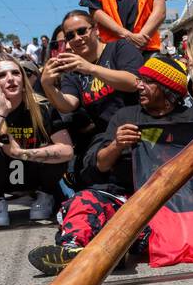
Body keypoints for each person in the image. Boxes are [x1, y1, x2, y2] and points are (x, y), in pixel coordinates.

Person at [28, 54, 193, 274]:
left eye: (148, 81)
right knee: (85, 200)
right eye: (140, 79)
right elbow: (97, 166)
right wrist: (116, 145)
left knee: (156, 231)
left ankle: (112, 249)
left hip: (169, 205)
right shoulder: (125, 116)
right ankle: (71, 249)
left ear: (168, 90)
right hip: (122, 198)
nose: (139, 85)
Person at [0, 53, 73, 227]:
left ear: (23, 79)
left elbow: (67, 150)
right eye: (2, 75)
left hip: (34, 174)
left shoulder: (43, 107)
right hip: (1, 176)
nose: (10, 79)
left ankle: (45, 195)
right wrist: (2, 113)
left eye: (15, 73)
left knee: (55, 152)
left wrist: (22, 153)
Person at [40, 9, 142, 181]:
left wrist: (90, 68)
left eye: (81, 31)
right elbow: (67, 104)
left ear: (96, 30)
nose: (77, 38)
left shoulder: (119, 48)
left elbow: (134, 82)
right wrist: (47, 85)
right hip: (108, 141)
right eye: (70, 35)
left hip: (137, 132)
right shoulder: (74, 71)